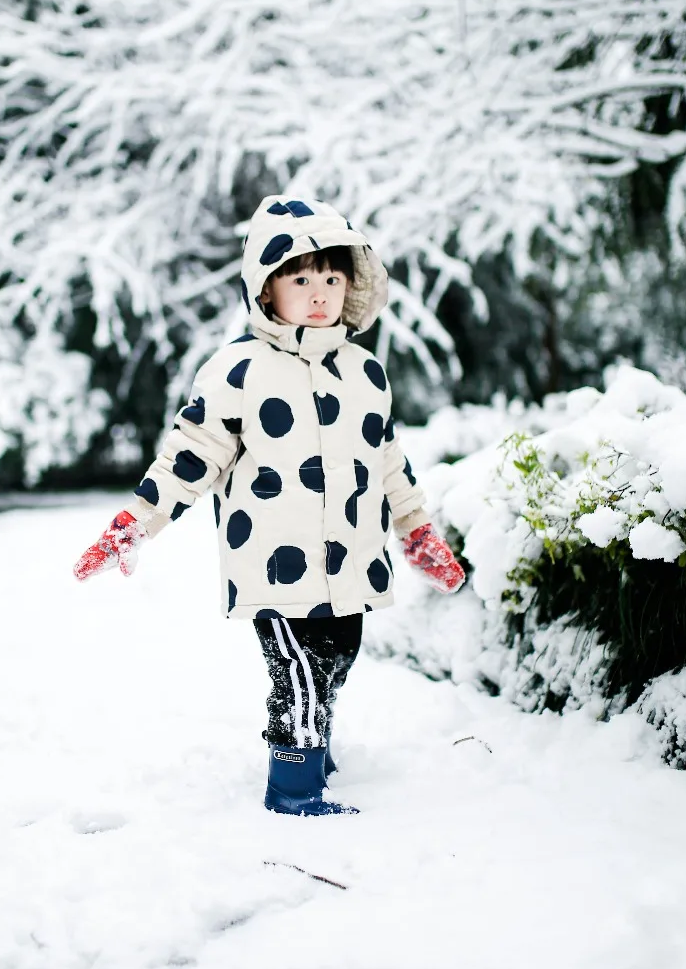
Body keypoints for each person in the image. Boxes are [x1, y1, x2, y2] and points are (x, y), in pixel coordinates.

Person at [73, 195, 465, 815]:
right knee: (299, 676)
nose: (318, 293)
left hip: (351, 565)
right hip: (276, 567)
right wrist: (136, 524)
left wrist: (417, 532)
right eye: (300, 278)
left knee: (339, 657)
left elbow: (386, 459)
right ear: (265, 288)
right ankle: (294, 785)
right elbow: (192, 454)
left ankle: (318, 746)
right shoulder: (239, 370)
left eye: (332, 278)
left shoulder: (367, 374)